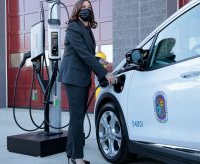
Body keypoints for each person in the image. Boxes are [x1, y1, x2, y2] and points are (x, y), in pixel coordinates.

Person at [57, 0, 117, 164]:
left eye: (89, 8)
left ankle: (71, 153)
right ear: (77, 10)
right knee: (77, 118)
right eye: (83, 7)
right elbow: (83, 54)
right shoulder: (73, 27)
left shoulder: (86, 28)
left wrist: (98, 59)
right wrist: (104, 73)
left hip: (80, 77)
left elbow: (85, 52)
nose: (86, 10)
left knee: (77, 117)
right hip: (74, 78)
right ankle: (77, 157)